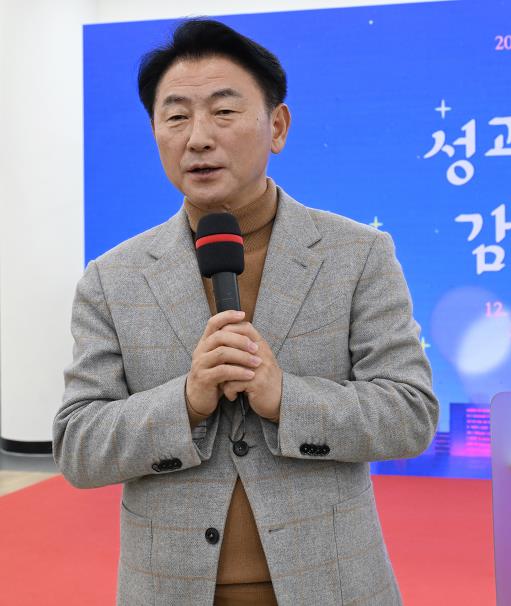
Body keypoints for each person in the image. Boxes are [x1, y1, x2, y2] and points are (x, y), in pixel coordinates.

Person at [53, 18, 438, 606]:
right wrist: (186, 401)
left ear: (276, 126)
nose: (198, 138)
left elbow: (410, 414)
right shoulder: (113, 278)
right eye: (176, 116)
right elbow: (79, 446)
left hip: (332, 587)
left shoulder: (357, 254)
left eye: (224, 111)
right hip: (169, 590)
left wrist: (286, 397)